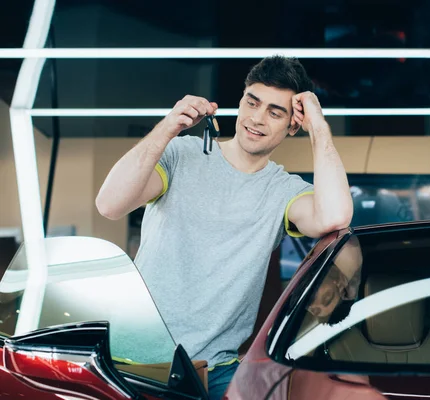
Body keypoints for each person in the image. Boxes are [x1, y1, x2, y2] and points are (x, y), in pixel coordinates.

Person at [95, 55, 353, 399]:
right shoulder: (180, 155)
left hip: (215, 370)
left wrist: (318, 126)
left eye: (275, 112)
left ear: (293, 125)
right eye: (252, 102)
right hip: (135, 361)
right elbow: (109, 204)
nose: (257, 119)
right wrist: (168, 126)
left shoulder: (284, 190)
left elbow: (335, 217)